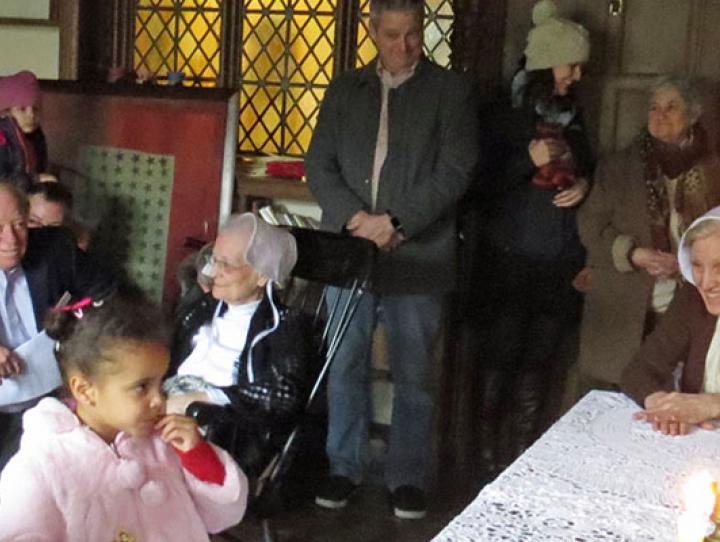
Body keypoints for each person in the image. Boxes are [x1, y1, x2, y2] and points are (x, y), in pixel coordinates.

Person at [305, 0, 478, 519]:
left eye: (412, 36)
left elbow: (455, 169)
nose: (403, 47)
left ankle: (407, 477)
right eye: (392, 36)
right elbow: (319, 163)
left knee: (415, 374)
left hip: (419, 254)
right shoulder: (345, 89)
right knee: (345, 364)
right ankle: (344, 467)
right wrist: (355, 218)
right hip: (349, 252)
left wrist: (396, 221)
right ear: (372, 32)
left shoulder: (449, 90)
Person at [0, 289, 248, 541]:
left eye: (160, 383)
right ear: (85, 391)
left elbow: (222, 517)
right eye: (141, 387)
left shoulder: (167, 443)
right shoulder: (41, 467)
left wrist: (198, 457)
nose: (159, 400)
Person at [470, 0, 593, 480]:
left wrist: (584, 185)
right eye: (571, 64)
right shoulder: (501, 114)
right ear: (545, 64)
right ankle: (485, 461)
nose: (578, 75)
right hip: (507, 263)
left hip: (557, 264)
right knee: (499, 361)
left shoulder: (574, 118)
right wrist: (527, 157)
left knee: (540, 366)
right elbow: (476, 185)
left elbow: (587, 169)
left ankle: (520, 456)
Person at [578, 76, 720, 391]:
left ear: (693, 114)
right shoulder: (618, 166)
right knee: (621, 393)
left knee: (683, 402)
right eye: (654, 107)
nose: (660, 115)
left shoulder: (714, 170)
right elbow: (589, 225)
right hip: (625, 302)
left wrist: (685, 263)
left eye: (671, 107)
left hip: (691, 302)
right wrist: (632, 254)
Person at [168, 213, 313, 469]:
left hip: (221, 427)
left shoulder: (284, 325)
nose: (214, 272)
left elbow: (283, 394)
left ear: (262, 275)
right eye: (214, 260)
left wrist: (204, 397)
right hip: (171, 405)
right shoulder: (200, 309)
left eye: (227, 265)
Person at [0, 181, 113, 470]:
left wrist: (77, 327)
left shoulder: (55, 248)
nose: (11, 239)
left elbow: (110, 294)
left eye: (20, 224)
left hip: (53, 401)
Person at [622, 206, 720, 436]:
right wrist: (663, 405)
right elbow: (640, 369)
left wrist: (710, 405)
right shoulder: (692, 298)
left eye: (719, 267)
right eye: (697, 266)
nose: (706, 283)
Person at [0, 70, 49, 191]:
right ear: (4, 112)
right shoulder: (2, 140)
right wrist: (34, 179)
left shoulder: (36, 138)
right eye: (22, 109)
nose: (31, 115)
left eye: (36, 109)